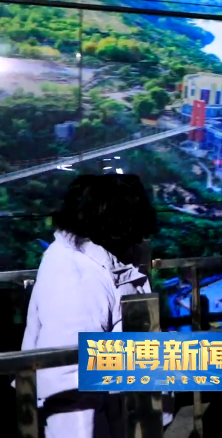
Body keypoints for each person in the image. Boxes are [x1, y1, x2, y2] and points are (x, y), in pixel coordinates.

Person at [20, 174, 163, 438]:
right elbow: (68, 375)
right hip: (104, 418)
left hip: (122, 408)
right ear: (118, 222)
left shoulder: (94, 259)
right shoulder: (75, 276)